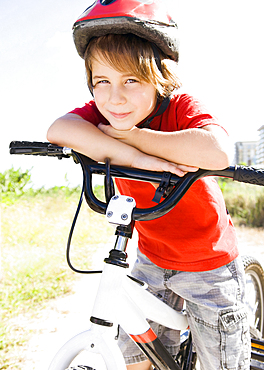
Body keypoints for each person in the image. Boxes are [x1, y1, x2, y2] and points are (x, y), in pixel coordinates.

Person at [47, 1, 250, 369]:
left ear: (159, 75)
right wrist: (138, 158)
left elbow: (217, 152)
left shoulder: (179, 107)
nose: (114, 98)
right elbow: (58, 130)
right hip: (152, 258)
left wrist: (132, 138)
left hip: (209, 264)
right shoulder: (104, 111)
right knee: (134, 360)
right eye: (101, 81)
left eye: (131, 80)